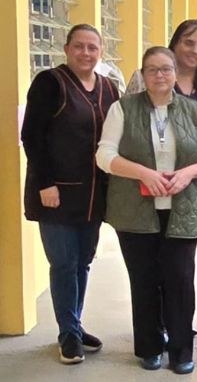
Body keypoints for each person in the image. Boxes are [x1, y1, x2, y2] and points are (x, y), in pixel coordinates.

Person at [96, 46, 197, 374]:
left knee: (180, 281)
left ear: (174, 71)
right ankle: (150, 347)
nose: (160, 75)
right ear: (143, 74)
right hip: (135, 211)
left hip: (181, 209)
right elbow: (104, 156)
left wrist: (187, 173)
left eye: (166, 68)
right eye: (152, 69)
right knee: (144, 280)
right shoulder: (122, 109)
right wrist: (143, 173)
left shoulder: (196, 112)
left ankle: (181, 350)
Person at [21, 24, 119, 365]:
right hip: (56, 194)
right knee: (63, 264)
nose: (86, 53)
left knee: (83, 262)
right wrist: (44, 183)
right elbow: (32, 136)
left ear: (101, 52)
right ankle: (68, 335)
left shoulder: (109, 87)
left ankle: (73, 325)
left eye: (92, 47)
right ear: (67, 48)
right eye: (79, 46)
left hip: (93, 195)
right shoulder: (50, 83)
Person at [126, 19, 197, 109]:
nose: (195, 51)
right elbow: (127, 115)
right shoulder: (142, 78)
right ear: (175, 43)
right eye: (189, 43)